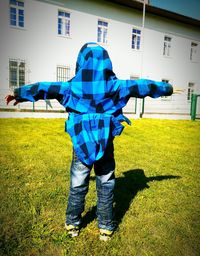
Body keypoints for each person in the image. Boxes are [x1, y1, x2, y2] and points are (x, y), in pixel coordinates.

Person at [6, 42, 173, 241]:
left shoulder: (71, 87)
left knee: (78, 183)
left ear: (80, 63)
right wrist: (168, 88)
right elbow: (144, 85)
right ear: (106, 63)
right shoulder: (116, 86)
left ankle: (73, 224)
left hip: (81, 143)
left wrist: (19, 94)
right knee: (106, 182)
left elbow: (44, 88)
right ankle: (106, 227)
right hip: (105, 143)